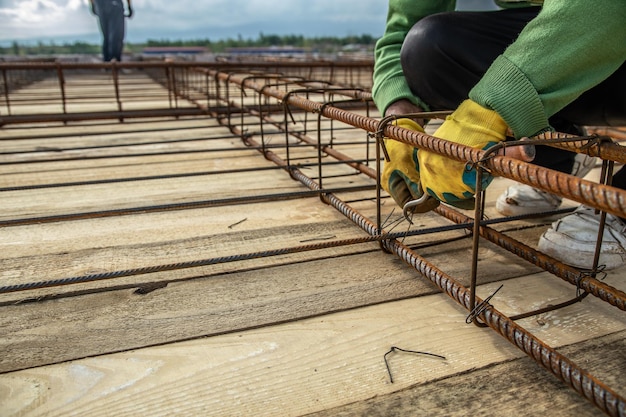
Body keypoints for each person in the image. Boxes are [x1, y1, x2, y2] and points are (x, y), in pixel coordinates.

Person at [373, 1, 626, 269]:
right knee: (428, 47)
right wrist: (399, 119)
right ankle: (561, 154)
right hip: (580, 38)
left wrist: (490, 109)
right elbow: (401, 30)